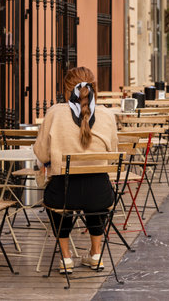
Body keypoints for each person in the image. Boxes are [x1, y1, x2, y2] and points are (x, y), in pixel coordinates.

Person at [33, 66, 118, 274]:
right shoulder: (107, 115)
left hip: (63, 194)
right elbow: (113, 154)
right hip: (100, 194)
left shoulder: (54, 113)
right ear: (94, 89)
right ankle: (96, 253)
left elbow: (42, 154)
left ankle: (66, 257)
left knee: (58, 196)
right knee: (95, 191)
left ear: (65, 90)